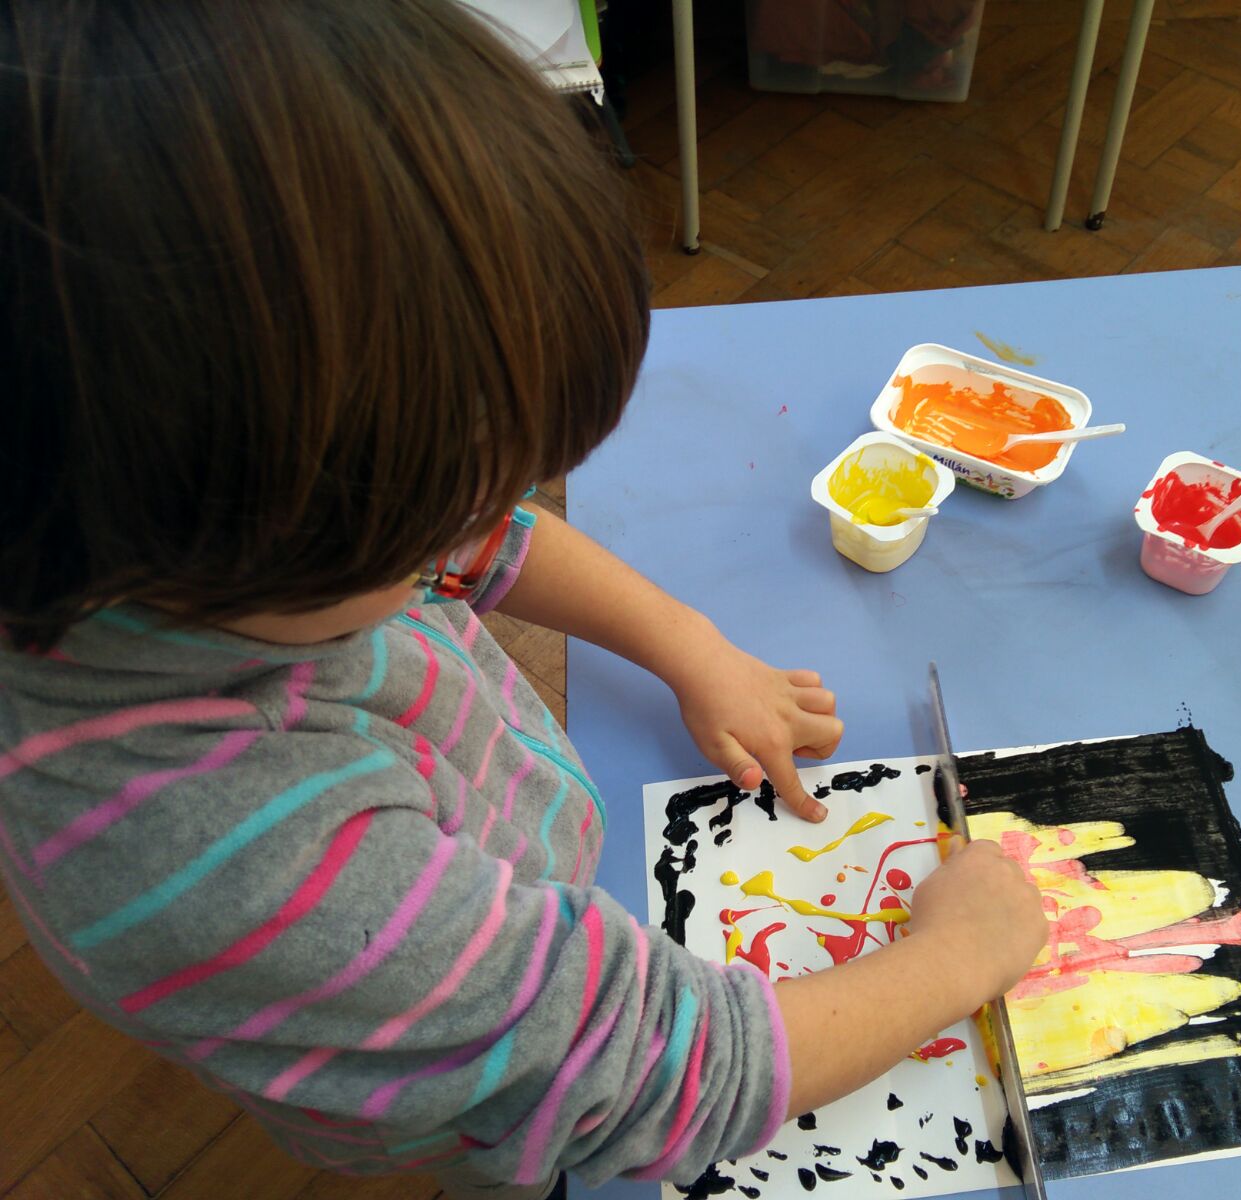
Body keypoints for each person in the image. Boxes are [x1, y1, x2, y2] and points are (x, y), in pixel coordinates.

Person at [0, 3, 1048, 1197]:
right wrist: (960, 957)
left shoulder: (218, 548)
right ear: (233, 536)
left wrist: (687, 644)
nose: (475, 523)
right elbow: (670, 1077)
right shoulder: (245, 860)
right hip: (486, 1097)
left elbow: (475, 542)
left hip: (498, 881)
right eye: (429, 511)